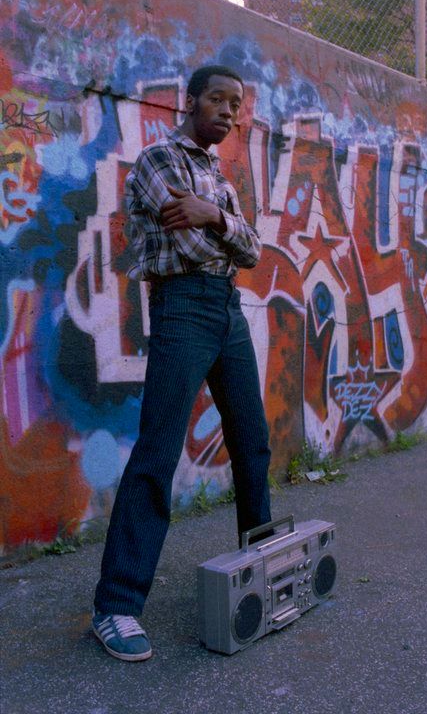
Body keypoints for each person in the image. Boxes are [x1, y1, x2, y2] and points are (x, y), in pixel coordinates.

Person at [92, 65, 272, 661]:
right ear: (189, 102)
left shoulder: (218, 178)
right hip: (183, 307)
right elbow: (193, 247)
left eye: (236, 104)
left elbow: (251, 250)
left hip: (226, 310)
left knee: (252, 443)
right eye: (217, 99)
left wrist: (214, 215)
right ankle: (116, 606)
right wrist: (222, 229)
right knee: (159, 452)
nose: (228, 111)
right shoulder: (157, 160)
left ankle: (259, 572)